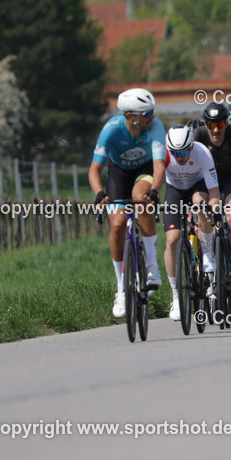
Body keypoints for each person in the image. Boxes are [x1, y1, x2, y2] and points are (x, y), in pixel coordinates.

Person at [90, 88, 166, 318]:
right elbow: (95, 169)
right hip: (119, 172)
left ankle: (152, 267)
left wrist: (155, 190)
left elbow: (159, 167)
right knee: (117, 223)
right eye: (147, 113)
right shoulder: (112, 129)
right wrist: (99, 193)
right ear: (131, 116)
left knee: (140, 197)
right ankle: (121, 288)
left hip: (145, 170)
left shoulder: (155, 127)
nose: (152, 116)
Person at [162, 125, 220, 320]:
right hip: (174, 189)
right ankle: (176, 296)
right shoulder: (164, 154)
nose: (180, 157)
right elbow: (154, 181)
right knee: (172, 239)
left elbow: (214, 193)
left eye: (184, 152)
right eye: (175, 153)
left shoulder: (202, 153)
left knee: (199, 203)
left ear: (191, 146)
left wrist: (212, 210)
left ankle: (208, 252)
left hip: (198, 187)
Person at [193, 101, 231, 298]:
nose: (216, 130)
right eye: (211, 125)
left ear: (227, 123)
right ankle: (208, 261)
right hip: (205, 182)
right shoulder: (198, 136)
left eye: (220, 125)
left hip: (229, 181)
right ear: (205, 124)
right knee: (202, 210)